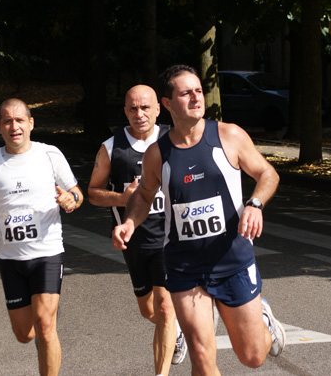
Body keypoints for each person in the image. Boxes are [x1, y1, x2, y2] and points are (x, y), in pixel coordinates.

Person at [112, 65, 286, 374]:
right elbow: (143, 195)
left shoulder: (228, 135)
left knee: (253, 356)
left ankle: (264, 320)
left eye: (198, 91)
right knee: (202, 358)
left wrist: (255, 204)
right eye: (185, 92)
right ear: (167, 104)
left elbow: (267, 174)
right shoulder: (158, 153)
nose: (195, 97)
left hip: (232, 261)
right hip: (183, 266)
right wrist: (129, 223)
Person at [0, 98, 83, 376]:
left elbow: (77, 193)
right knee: (25, 334)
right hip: (11, 259)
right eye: (7, 121)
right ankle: (44, 339)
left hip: (47, 254)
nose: (14, 126)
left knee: (45, 325)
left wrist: (70, 199)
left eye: (20, 120)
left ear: (31, 123)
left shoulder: (49, 155)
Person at [88, 85, 187, 375]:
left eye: (145, 107)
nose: (139, 114)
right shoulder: (111, 148)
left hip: (170, 238)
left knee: (166, 309)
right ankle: (179, 331)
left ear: (160, 108)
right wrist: (121, 199)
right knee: (149, 311)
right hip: (133, 239)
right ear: (125, 112)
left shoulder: (174, 140)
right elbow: (93, 192)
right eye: (132, 108)